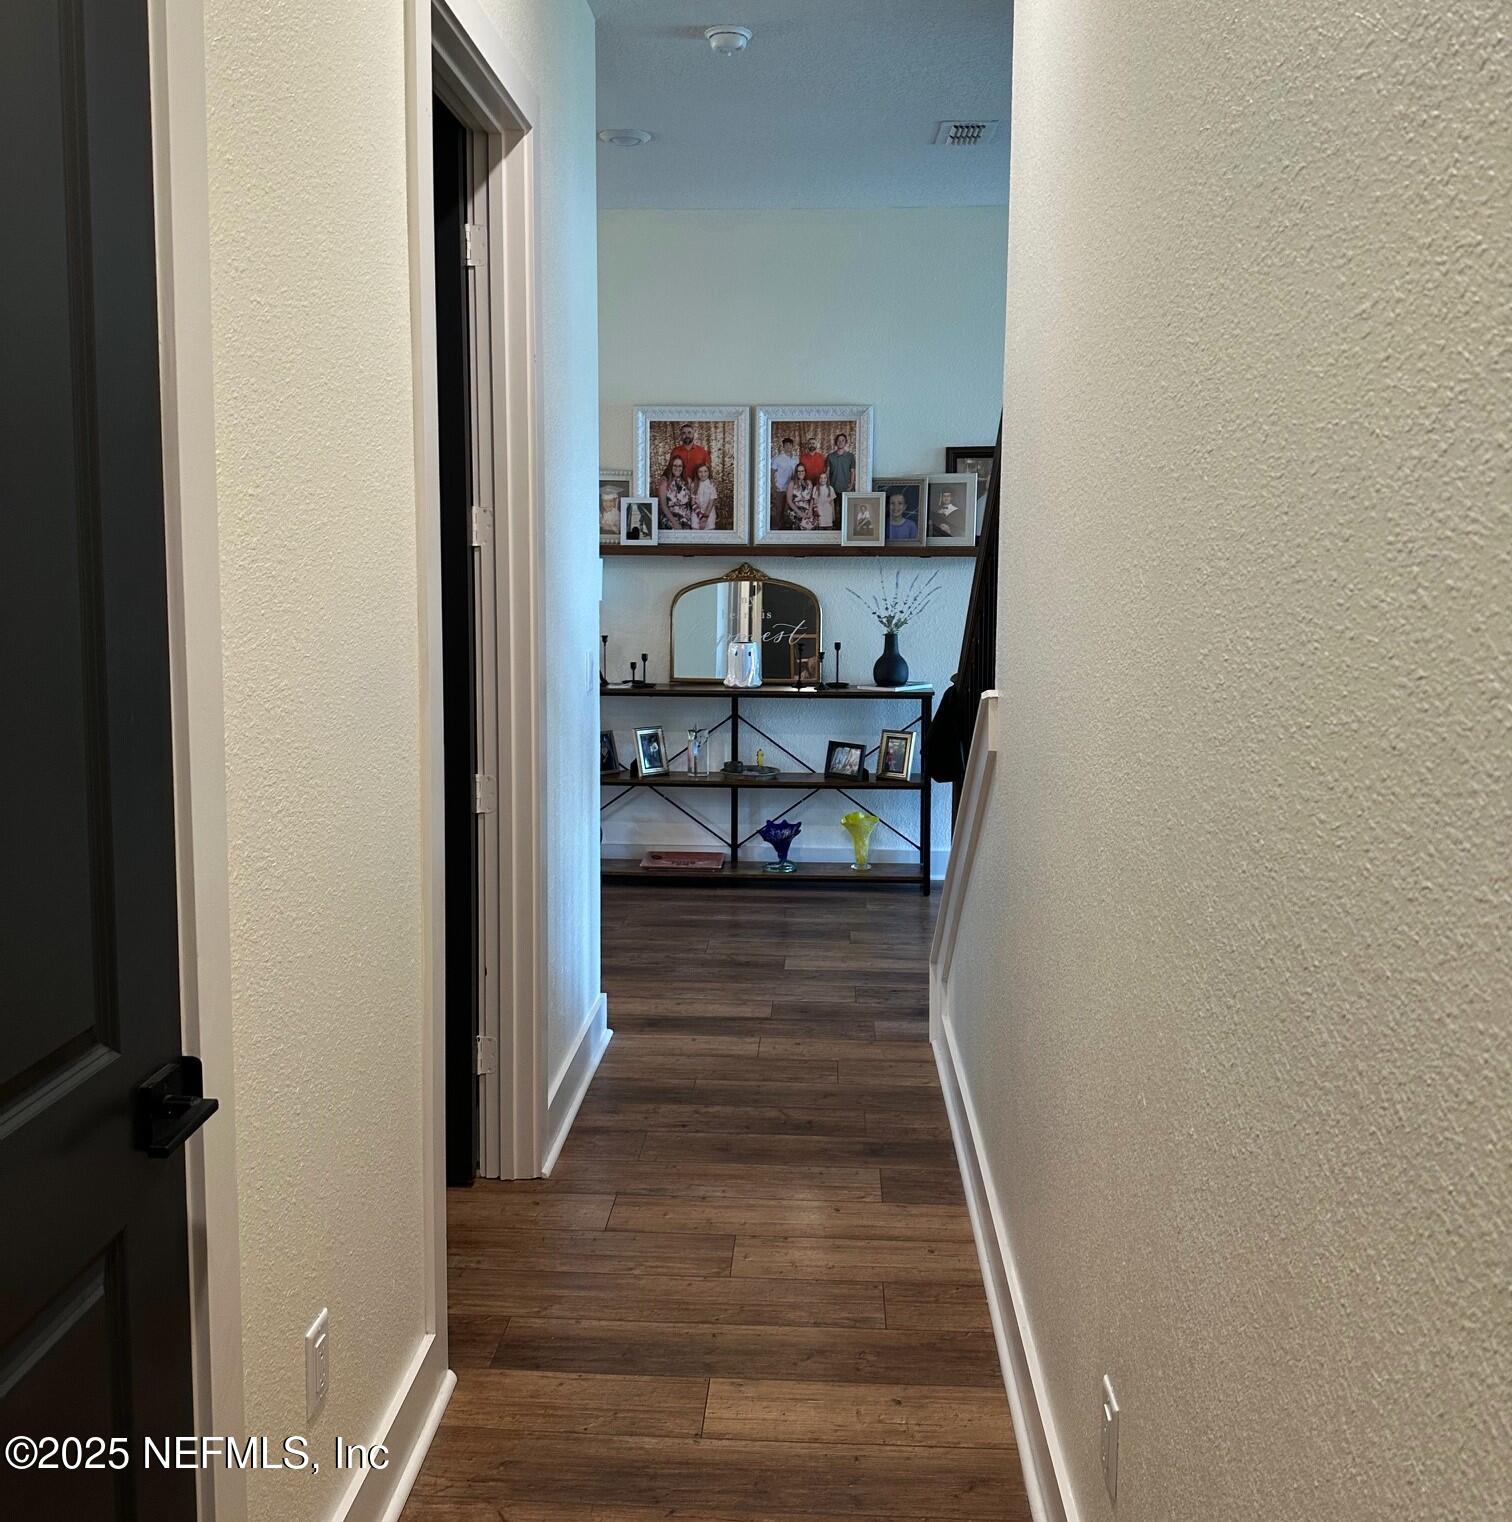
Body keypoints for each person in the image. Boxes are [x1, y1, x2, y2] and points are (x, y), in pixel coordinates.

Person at [658, 454, 694, 529]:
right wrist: (674, 523)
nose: (677, 468)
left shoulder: (688, 481)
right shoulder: (664, 483)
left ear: (683, 467)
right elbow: (663, 506)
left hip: (686, 519)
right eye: (675, 465)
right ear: (671, 467)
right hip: (670, 519)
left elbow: (693, 501)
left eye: (680, 466)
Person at [785, 461, 818, 530]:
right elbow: (789, 501)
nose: (801, 473)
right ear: (796, 473)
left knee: (813, 522)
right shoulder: (792, 483)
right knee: (802, 523)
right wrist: (799, 512)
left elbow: (812, 498)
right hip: (795, 509)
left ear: (805, 472)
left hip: (807, 508)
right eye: (798, 471)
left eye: (802, 471)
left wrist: (810, 510)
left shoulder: (809, 483)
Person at [771, 435, 799, 505]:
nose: (788, 446)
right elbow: (771, 473)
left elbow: (797, 473)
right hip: (780, 488)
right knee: (779, 510)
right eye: (786, 445)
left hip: (793, 488)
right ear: (783, 446)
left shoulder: (796, 459)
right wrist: (774, 486)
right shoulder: (777, 458)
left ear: (792, 446)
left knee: (790, 510)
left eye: (790, 445)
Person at [826, 431, 856, 497]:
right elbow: (827, 472)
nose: (841, 442)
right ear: (836, 442)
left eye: (843, 440)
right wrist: (828, 486)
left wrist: (851, 485)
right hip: (833, 488)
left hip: (846, 488)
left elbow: (852, 472)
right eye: (839, 440)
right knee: (834, 507)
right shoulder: (830, 456)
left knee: (844, 507)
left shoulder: (850, 456)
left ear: (845, 443)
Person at [690, 460, 718, 529]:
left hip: (709, 513)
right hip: (697, 513)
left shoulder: (711, 484)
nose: (703, 474)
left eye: (705, 471)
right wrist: (700, 516)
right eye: (700, 472)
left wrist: (704, 518)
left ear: (709, 472)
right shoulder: (694, 484)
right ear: (697, 473)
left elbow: (711, 502)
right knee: (695, 531)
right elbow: (693, 503)